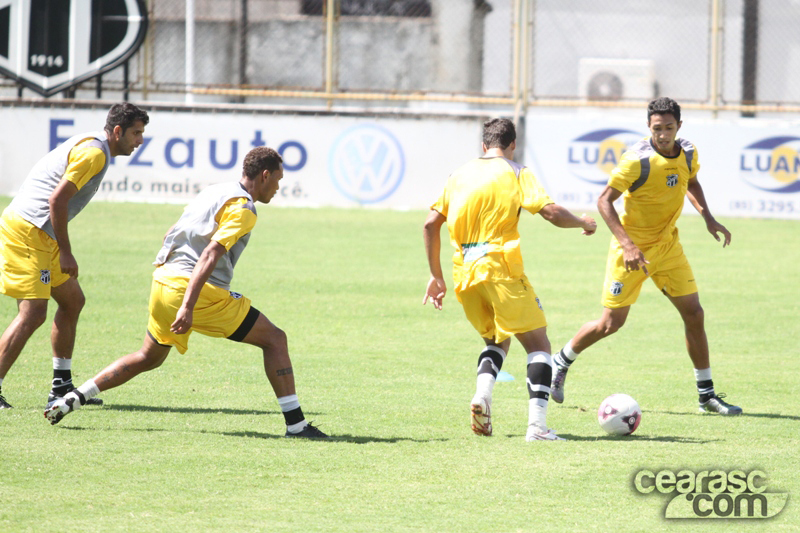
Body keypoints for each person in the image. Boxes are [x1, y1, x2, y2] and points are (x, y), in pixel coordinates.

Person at [45, 146, 329, 438]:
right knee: (274, 339)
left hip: (162, 282)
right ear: (265, 175)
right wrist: (187, 306)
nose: (279, 187)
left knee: (149, 356)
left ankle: (75, 397)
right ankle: (296, 426)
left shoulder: (213, 192)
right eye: (278, 180)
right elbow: (210, 254)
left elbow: (173, 230)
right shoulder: (243, 209)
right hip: (192, 291)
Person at [550, 97, 742, 416]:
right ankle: (561, 360)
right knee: (610, 323)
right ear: (648, 127)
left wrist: (708, 217)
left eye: (669, 128)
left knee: (694, 314)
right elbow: (603, 201)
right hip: (631, 251)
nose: (663, 134)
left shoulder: (689, 151)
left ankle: (706, 396)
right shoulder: (636, 161)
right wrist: (627, 244)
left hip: (667, 247)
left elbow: (690, 181)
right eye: (657, 129)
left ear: (679, 126)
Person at [423, 118, 596, 442]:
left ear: (483, 145)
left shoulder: (457, 176)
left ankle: (482, 395)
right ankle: (538, 428)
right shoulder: (517, 172)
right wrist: (583, 222)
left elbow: (431, 224)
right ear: (512, 144)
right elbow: (551, 213)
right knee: (538, 344)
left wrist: (436, 277)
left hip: (465, 273)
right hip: (500, 266)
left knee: (497, 340)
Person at [0, 102, 149, 410]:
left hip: (43, 232)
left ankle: (61, 386)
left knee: (72, 301)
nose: (140, 141)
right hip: (28, 230)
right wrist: (66, 252)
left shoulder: (95, 146)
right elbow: (57, 201)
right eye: (136, 133)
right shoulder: (93, 153)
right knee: (33, 314)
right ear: (117, 131)